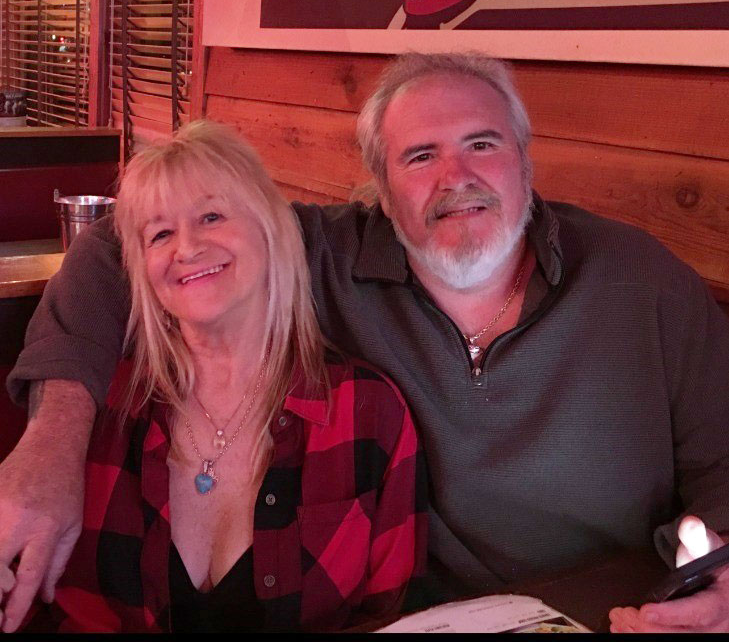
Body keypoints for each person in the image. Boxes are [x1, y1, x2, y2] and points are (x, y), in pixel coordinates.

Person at [2, 52, 729, 634]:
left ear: (524, 160)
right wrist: (52, 446)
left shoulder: (640, 279)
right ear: (379, 187)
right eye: (420, 156)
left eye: (481, 144)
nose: (456, 177)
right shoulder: (322, 255)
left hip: (613, 609)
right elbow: (119, 250)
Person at [15, 121, 426, 632]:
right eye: (160, 234)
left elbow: (389, 619)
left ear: (271, 231)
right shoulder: (100, 413)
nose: (186, 248)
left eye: (211, 216)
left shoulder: (368, 411)